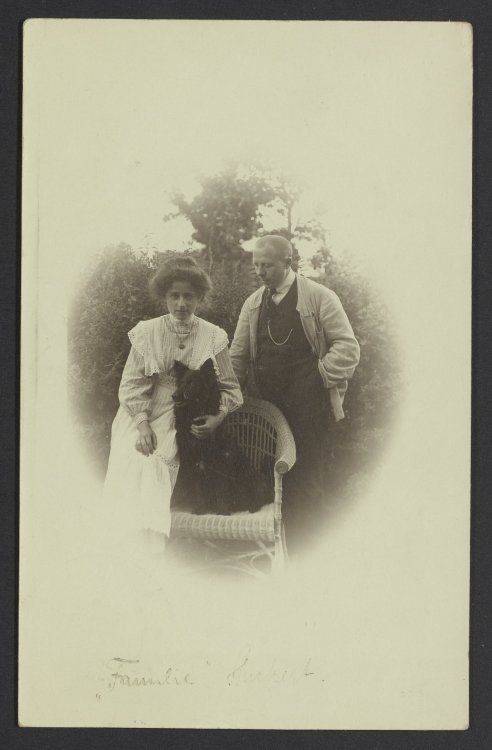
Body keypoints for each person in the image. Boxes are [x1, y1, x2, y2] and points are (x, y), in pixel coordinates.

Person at [103, 255, 243, 553]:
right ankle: (122, 549)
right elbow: (131, 385)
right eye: (174, 296)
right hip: (141, 411)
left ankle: (150, 549)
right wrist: (141, 426)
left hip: (184, 413)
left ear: (200, 298)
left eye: (189, 296)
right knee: (131, 456)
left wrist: (218, 418)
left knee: (155, 460)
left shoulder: (213, 336)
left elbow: (230, 387)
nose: (181, 303)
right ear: (164, 296)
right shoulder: (148, 331)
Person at [229, 235, 360, 552]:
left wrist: (317, 376)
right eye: (256, 265)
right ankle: (272, 555)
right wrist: (227, 397)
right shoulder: (253, 303)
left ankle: (308, 555)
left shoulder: (318, 297)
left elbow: (348, 347)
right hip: (266, 411)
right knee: (266, 482)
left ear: (288, 262)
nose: (260, 272)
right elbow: (237, 357)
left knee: (305, 481)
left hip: (308, 407)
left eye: (268, 266)